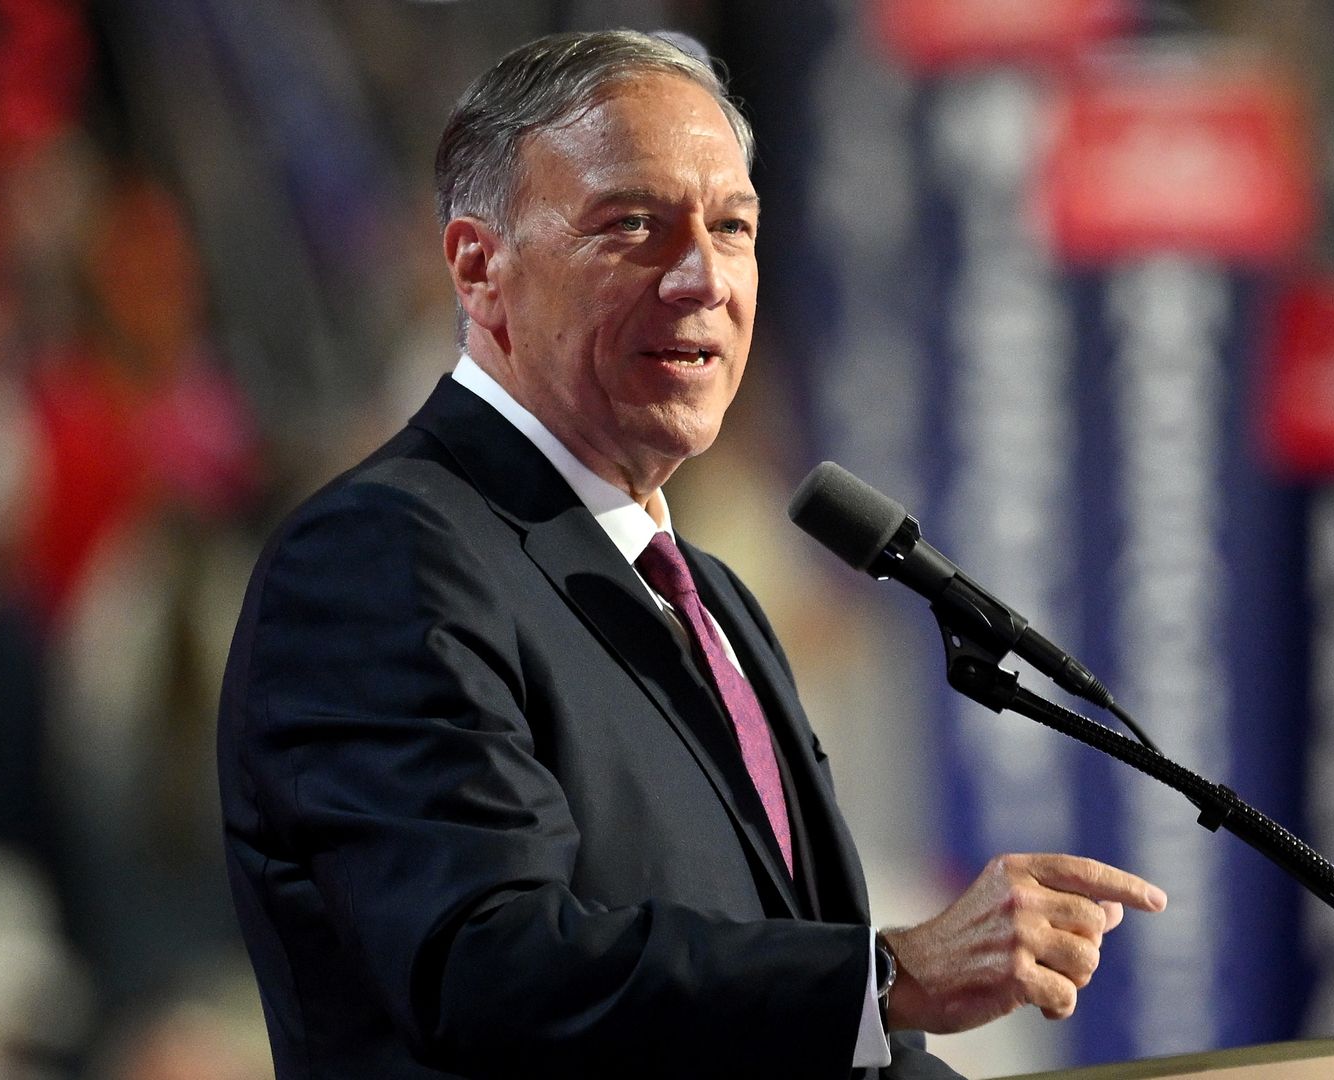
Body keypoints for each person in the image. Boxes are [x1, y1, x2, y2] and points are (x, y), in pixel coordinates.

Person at [218, 29, 1166, 1080]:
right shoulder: (380, 557)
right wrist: (890, 972)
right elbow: (487, 969)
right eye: (633, 224)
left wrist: (880, 1007)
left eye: (732, 225)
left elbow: (821, 1044)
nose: (702, 277)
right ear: (481, 270)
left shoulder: (712, 597)